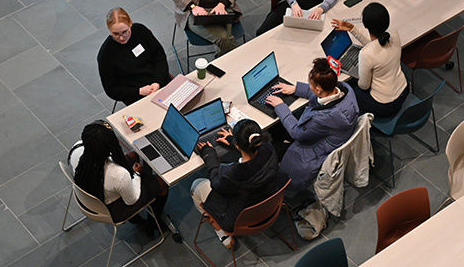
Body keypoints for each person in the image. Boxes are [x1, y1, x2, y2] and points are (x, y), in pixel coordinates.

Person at [265, 58, 359, 191]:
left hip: (313, 151)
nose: (309, 87)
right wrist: (296, 89)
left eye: (310, 85)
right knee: (281, 123)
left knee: (271, 144)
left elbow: (297, 133)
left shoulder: (323, 118)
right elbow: (324, 94)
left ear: (319, 89)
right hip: (331, 136)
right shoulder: (346, 89)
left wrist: (280, 106)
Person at [190, 119, 278, 248]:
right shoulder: (269, 147)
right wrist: (232, 141)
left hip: (240, 218)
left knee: (196, 185)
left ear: (238, 145)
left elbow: (216, 183)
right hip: (271, 205)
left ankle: (220, 231)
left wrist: (209, 154)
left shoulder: (233, 173)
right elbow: (253, 151)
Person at [69, 120, 169, 223]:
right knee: (162, 182)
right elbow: (131, 200)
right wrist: (137, 174)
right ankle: (152, 224)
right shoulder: (118, 174)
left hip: (88, 196)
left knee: (133, 156)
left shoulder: (76, 148)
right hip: (111, 209)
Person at [331, 2, 408, 118]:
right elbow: (376, 45)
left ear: (365, 25)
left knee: (347, 87)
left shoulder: (366, 53)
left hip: (384, 105)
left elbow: (364, 86)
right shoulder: (393, 33)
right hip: (403, 90)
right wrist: (352, 29)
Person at [97, 7, 171, 106]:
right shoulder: (106, 54)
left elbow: (159, 57)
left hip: (160, 81)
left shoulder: (141, 31)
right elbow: (111, 89)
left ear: (130, 23)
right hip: (135, 95)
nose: (122, 38)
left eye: (124, 32)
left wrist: (158, 82)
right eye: (115, 34)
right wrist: (139, 91)